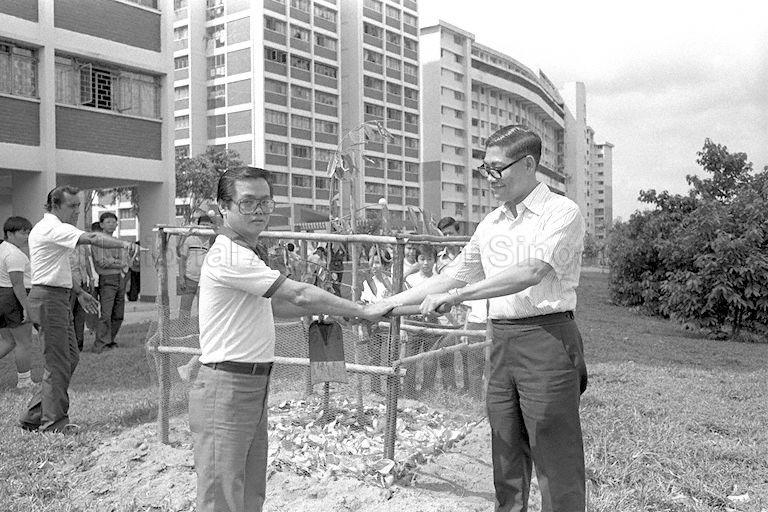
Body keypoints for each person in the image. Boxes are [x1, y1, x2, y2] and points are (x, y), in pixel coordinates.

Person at [380, 125, 588, 512]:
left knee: (555, 456)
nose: (489, 178)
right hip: (500, 341)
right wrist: (387, 303)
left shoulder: (560, 212)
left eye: (497, 169)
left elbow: (531, 271)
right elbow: (454, 275)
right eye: (484, 169)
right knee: (505, 450)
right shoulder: (490, 223)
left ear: (528, 164)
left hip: (547, 339)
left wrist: (458, 297)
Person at [188, 166, 390, 512]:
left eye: (266, 202)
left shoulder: (247, 252)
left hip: (251, 382)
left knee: (250, 489)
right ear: (223, 207)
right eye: (247, 202)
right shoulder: (230, 254)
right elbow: (296, 294)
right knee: (221, 494)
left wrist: (328, 310)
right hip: (227, 384)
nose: (259, 211)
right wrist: (363, 309)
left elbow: (278, 303)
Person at [20, 186, 139, 433]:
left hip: (58, 297)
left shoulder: (53, 228)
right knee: (58, 362)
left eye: (78, 205)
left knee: (70, 358)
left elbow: (57, 267)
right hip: (49, 299)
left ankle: (35, 415)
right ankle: (54, 423)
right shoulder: (52, 227)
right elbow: (94, 238)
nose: (76, 211)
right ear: (55, 205)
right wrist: (124, 245)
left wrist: (80, 293)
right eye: (72, 206)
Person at [0, 216, 35, 389]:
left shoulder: (2, 249)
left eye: (28, 232)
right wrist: (26, 308)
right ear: (9, 233)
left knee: (8, 341)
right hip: (14, 298)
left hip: (4, 296)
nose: (26, 236)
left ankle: (24, 379)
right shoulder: (14, 254)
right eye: (22, 233)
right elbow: (18, 284)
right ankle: (24, 381)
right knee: (24, 342)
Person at [92, 211, 129, 352]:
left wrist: (115, 262)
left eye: (114, 222)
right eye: (108, 222)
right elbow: (102, 262)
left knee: (119, 314)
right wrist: (118, 262)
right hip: (107, 279)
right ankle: (100, 344)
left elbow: (126, 261)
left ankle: (110, 340)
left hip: (119, 278)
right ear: (101, 224)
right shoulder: (98, 240)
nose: (112, 224)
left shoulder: (117, 241)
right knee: (106, 314)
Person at [178, 215, 214, 328]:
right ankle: (182, 331)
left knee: (203, 309)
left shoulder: (212, 241)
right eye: (203, 225)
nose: (205, 227)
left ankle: (201, 333)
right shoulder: (190, 239)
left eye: (207, 225)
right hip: (189, 279)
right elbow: (182, 259)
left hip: (204, 281)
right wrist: (181, 277)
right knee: (184, 308)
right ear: (198, 225)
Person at [68, 231, 95, 352]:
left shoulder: (83, 245)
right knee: (69, 315)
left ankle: (79, 345)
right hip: (69, 284)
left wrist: (91, 278)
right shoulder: (64, 245)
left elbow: (87, 261)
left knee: (80, 315)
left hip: (83, 281)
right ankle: (68, 345)